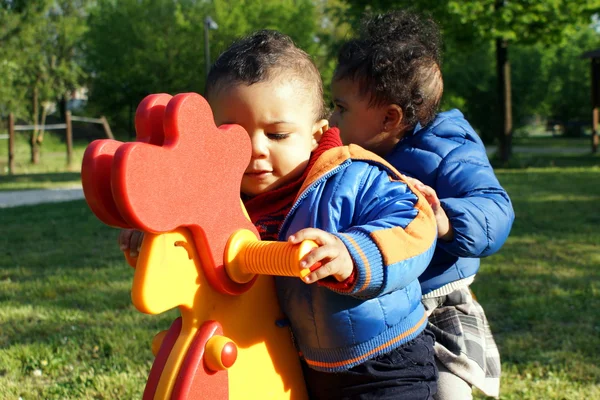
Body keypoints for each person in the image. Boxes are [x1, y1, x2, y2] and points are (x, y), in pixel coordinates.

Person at [120, 29, 441, 399]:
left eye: (276, 135)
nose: (255, 151)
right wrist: (155, 236)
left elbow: (416, 225)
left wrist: (351, 253)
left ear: (317, 135)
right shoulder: (226, 199)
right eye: (236, 137)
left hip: (384, 361)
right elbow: (196, 249)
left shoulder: (353, 175)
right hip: (297, 363)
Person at [329, 10, 514, 400]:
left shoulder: (449, 148)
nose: (331, 117)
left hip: (437, 301)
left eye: (341, 108)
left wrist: (446, 220)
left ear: (390, 116)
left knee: (446, 390)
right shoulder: (352, 152)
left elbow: (495, 209)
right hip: (381, 303)